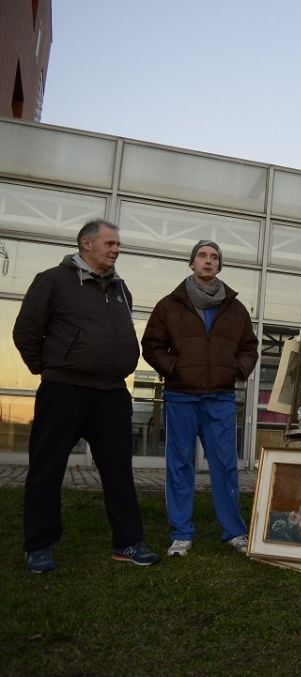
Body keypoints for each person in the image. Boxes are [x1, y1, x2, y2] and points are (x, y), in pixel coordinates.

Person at [13, 219, 159, 572]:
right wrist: (54, 368)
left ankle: (127, 543)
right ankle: (39, 546)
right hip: (65, 390)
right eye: (109, 243)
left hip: (111, 393)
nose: (116, 249)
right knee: (47, 469)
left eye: (118, 244)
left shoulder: (121, 288)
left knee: (119, 470)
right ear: (85, 244)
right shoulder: (52, 280)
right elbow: (25, 333)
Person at [141, 240, 258, 557]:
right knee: (179, 466)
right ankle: (181, 533)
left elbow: (250, 347)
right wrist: (174, 368)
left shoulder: (235, 308)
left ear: (219, 266)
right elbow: (151, 345)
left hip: (219, 398)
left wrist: (236, 370)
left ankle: (234, 531)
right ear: (191, 263)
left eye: (214, 257)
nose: (208, 261)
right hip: (181, 396)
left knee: (225, 466)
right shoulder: (170, 305)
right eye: (202, 256)